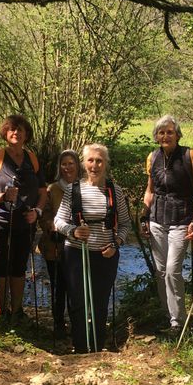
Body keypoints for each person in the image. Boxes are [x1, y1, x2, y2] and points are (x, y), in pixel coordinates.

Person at [55, 144, 131, 352]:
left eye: (99, 161)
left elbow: (125, 224)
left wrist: (117, 244)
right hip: (76, 252)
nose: (95, 165)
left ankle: (97, 345)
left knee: (100, 302)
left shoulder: (114, 190)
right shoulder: (73, 190)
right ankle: (80, 346)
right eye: (90, 160)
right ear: (84, 163)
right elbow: (58, 221)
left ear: (105, 164)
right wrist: (73, 231)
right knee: (78, 301)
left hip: (106, 255)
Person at [0, 115, 47, 323]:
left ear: (27, 134)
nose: (16, 133)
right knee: (1, 265)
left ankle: (16, 310)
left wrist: (37, 211)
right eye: (12, 129)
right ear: (5, 133)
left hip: (25, 222)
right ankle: (2, 309)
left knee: (19, 267)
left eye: (20, 130)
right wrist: (1, 197)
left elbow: (43, 191)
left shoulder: (33, 159)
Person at [141, 115, 193, 334]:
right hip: (157, 220)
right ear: (157, 136)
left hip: (182, 220)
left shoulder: (190, 156)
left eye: (170, 132)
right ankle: (169, 316)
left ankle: (178, 321)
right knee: (160, 270)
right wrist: (143, 215)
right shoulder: (152, 157)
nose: (165, 136)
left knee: (173, 270)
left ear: (177, 134)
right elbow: (150, 190)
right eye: (161, 132)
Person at [38, 150, 81, 338]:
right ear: (59, 167)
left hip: (78, 244)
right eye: (64, 164)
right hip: (54, 244)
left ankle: (77, 321)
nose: (67, 167)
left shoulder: (84, 187)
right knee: (58, 285)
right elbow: (44, 214)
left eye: (71, 163)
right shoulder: (52, 189)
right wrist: (51, 226)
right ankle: (58, 323)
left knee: (75, 285)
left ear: (78, 166)